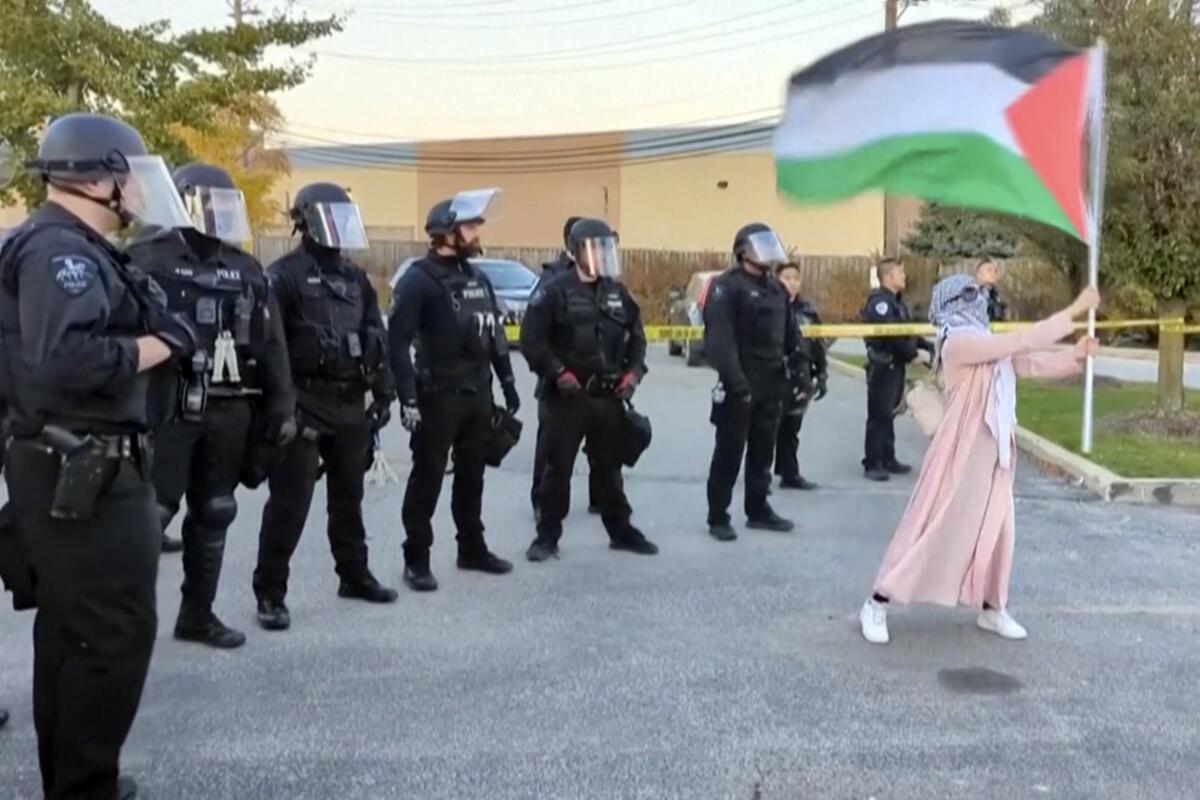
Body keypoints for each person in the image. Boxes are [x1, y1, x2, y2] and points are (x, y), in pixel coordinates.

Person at [0, 112, 200, 800]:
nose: (138, 191)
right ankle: (86, 787)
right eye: (129, 176)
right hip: (82, 467)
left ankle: (76, 783)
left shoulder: (71, 245)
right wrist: (162, 345)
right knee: (111, 637)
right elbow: (68, 361)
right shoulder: (62, 254)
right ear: (96, 178)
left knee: (73, 633)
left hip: (72, 463)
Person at [859, 276, 1100, 644]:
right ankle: (878, 601)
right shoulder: (957, 342)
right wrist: (1074, 310)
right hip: (959, 450)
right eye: (971, 294)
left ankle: (993, 607)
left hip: (996, 451)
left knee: (999, 531)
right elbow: (1020, 341)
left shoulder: (985, 341)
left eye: (980, 294)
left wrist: (1075, 355)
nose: (980, 300)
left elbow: (1027, 363)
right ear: (954, 302)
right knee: (930, 525)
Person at [127, 163, 296, 649]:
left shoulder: (245, 269)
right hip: (168, 408)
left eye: (228, 206)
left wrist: (282, 406)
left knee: (216, 511)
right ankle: (125, 626)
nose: (220, 215)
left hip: (230, 408)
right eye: (211, 204)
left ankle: (197, 615)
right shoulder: (145, 259)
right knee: (148, 516)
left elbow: (271, 345)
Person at [252, 183, 397, 631]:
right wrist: (282, 407)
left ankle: (353, 575)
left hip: (350, 400)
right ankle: (270, 593)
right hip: (305, 402)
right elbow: (270, 347)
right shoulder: (283, 276)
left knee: (348, 500)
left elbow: (376, 335)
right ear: (307, 222)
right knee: (290, 503)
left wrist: (384, 393)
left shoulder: (356, 279)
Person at [389, 190, 517, 592]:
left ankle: (471, 548)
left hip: (478, 392)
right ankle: (417, 558)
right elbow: (396, 341)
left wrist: (508, 383)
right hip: (438, 394)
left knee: (472, 474)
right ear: (446, 231)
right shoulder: (418, 281)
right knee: (428, 477)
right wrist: (407, 398)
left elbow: (494, 334)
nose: (477, 231)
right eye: (470, 225)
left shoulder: (477, 279)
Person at [520, 217, 658, 561]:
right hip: (568, 398)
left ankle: (621, 531)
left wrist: (633, 373)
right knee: (557, 470)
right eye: (594, 248)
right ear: (576, 250)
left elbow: (637, 337)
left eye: (605, 248)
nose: (601, 255)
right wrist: (557, 372)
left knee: (609, 470)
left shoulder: (616, 292)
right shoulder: (554, 290)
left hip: (608, 398)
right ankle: (547, 537)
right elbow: (532, 341)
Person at [704, 223, 800, 542]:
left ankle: (758, 509)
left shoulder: (776, 290)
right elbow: (719, 340)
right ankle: (718, 515)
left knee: (763, 451)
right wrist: (735, 382)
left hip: (771, 382)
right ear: (743, 250)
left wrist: (797, 373)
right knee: (729, 452)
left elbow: (789, 336)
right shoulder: (726, 287)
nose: (766, 251)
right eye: (759, 245)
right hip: (740, 382)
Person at [529, 215, 611, 518]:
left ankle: (600, 498)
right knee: (552, 450)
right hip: (561, 380)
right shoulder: (553, 279)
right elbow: (535, 331)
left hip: (598, 380)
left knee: (601, 444)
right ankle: (543, 502)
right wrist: (554, 370)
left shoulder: (604, 280)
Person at [861, 258, 934, 482]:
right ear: (888, 277)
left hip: (896, 365)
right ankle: (873, 462)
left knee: (890, 413)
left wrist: (927, 346)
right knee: (879, 414)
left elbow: (907, 332)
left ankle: (888, 457)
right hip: (883, 364)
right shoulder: (880, 303)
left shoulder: (897, 302)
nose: (905, 276)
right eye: (900, 273)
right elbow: (892, 336)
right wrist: (912, 355)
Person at [773, 261, 828, 490]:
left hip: (800, 373)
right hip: (774, 373)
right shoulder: (771, 306)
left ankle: (789, 473)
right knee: (766, 429)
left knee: (792, 427)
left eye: (796, 278)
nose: (792, 283)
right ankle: (759, 477)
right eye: (787, 277)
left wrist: (821, 372)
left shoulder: (807, 310)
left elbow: (817, 344)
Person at [976, 257, 1009, 322]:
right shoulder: (972, 296)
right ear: (979, 274)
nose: (993, 273)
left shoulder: (997, 297)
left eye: (995, 271)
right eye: (989, 270)